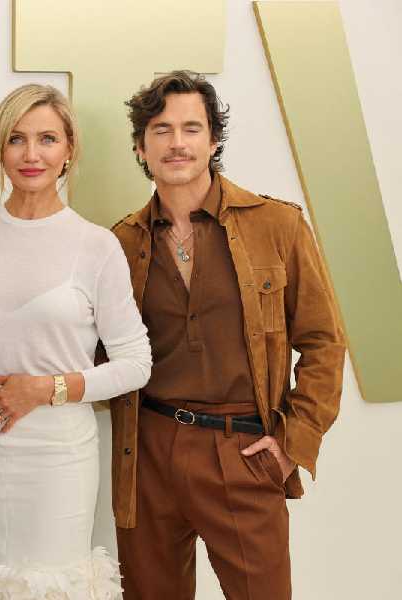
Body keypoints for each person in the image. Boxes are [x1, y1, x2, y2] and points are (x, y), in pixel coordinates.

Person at [110, 70, 346, 599]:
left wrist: (293, 442)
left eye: (191, 128)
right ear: (141, 147)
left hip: (243, 449)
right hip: (149, 449)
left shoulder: (277, 225)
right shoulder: (120, 242)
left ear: (213, 140)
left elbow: (324, 341)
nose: (176, 143)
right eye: (161, 130)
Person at [0, 84, 152, 598]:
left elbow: (135, 362)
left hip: (57, 458)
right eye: (16, 139)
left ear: (69, 150)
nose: (31, 154)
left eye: (47, 139)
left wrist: (46, 389)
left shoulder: (96, 245)